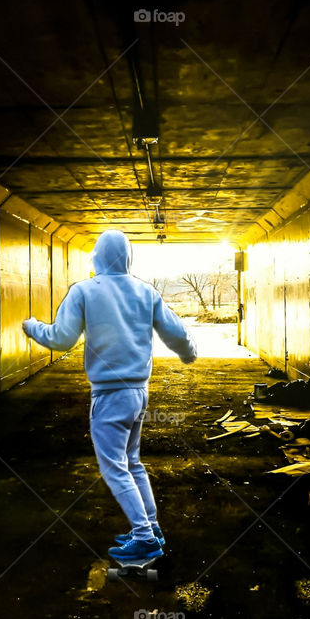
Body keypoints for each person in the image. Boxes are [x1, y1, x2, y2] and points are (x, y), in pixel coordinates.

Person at [22, 229, 197, 564]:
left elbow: (61, 338)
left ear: (97, 257)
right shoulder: (146, 291)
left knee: (114, 467)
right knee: (132, 462)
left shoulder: (85, 291)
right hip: (138, 393)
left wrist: (33, 327)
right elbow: (175, 332)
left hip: (109, 395)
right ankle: (152, 527)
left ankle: (145, 538)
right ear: (128, 257)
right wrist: (188, 353)